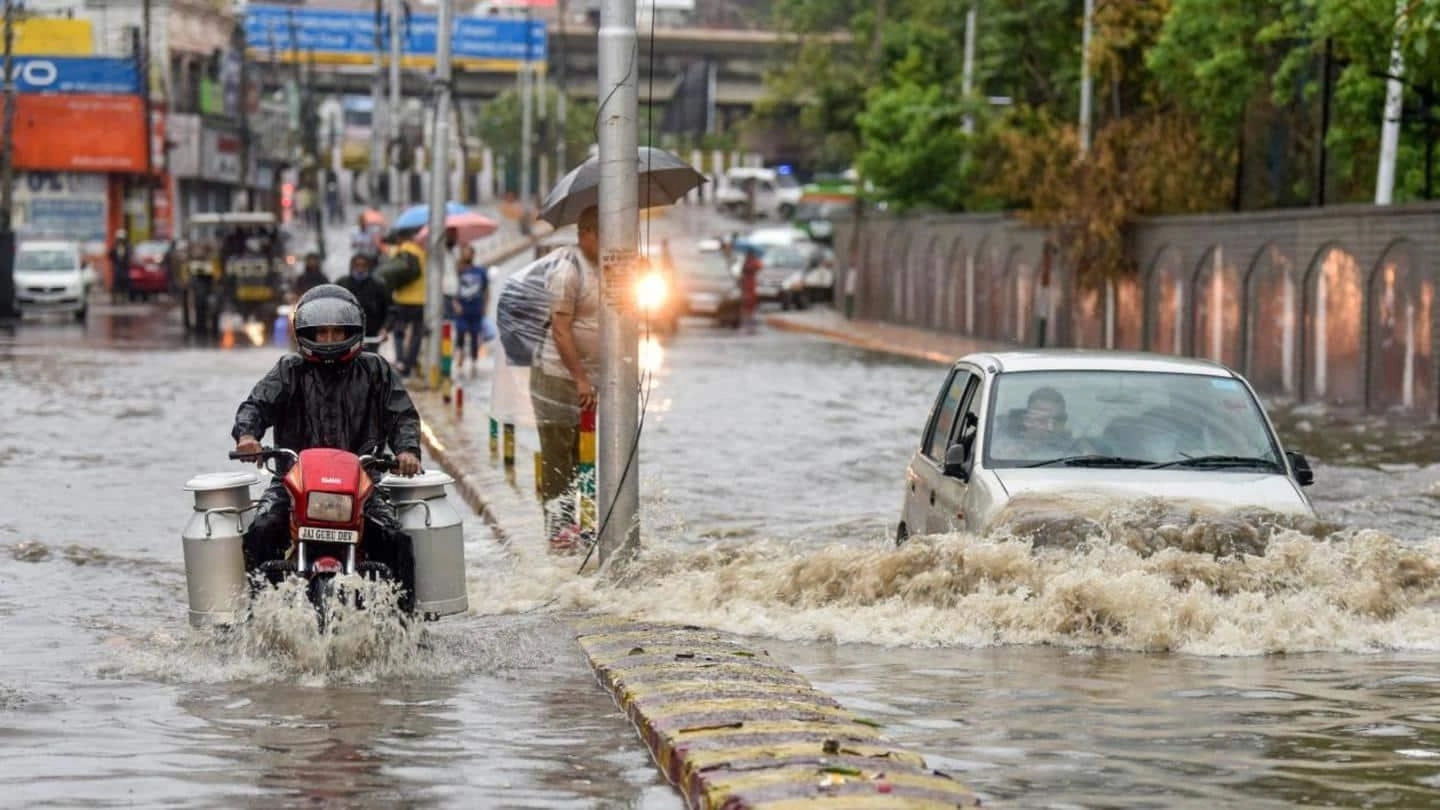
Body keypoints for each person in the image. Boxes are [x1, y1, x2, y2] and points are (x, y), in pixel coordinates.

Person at [231, 284, 422, 610]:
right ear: (307, 333)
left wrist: (407, 451)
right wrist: (247, 436)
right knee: (261, 530)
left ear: (352, 331)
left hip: (362, 484)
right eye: (322, 332)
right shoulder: (288, 370)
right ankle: (257, 612)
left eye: (337, 332)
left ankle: (405, 621)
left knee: (395, 539)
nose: (330, 339)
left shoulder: (375, 370)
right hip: (293, 483)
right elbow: (256, 405)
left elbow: (402, 415)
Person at [530, 205, 601, 550]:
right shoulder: (568, 270)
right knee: (559, 458)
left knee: (583, 455)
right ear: (586, 234)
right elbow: (561, 330)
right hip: (557, 377)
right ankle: (559, 533)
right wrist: (581, 378)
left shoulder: (607, 268)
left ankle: (584, 528)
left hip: (589, 380)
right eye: (605, 236)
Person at [993, 386, 1083, 459]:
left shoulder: (1074, 448)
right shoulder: (1001, 447)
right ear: (1027, 420)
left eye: (1057, 420)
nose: (1050, 427)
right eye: (1042, 420)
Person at [387, 228, 427, 377]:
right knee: (417, 334)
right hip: (419, 300)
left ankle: (400, 360)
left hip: (401, 299)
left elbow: (391, 273)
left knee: (399, 331)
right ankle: (409, 364)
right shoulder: (421, 252)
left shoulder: (396, 252)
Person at [336, 252, 390, 349]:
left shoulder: (378, 285)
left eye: (363, 265)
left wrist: (385, 328)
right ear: (352, 266)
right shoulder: (342, 283)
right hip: (346, 335)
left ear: (368, 267)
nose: (360, 269)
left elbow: (389, 309)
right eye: (357, 265)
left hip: (372, 336)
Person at [451, 243, 489, 377]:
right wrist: (455, 303)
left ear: (473, 255)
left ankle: (473, 361)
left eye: (469, 253)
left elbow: (486, 290)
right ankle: (460, 354)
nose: (467, 255)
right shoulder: (458, 271)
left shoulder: (480, 271)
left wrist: (485, 306)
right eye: (464, 253)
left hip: (476, 309)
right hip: (462, 309)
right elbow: (452, 288)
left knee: (474, 335)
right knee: (460, 332)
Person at [739, 244, 762, 333]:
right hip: (747, 283)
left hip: (750, 283)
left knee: (750, 302)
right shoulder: (747, 261)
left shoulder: (753, 261)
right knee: (747, 302)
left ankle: (750, 320)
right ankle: (748, 320)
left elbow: (758, 267)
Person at [109, 229, 131, 304]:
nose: (120, 241)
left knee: (125, 284)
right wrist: (115, 263)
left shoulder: (127, 247)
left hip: (125, 268)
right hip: (117, 268)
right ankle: (114, 299)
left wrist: (126, 263)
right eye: (119, 239)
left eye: (122, 239)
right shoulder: (115, 247)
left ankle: (124, 299)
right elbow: (110, 255)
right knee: (115, 285)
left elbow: (129, 256)